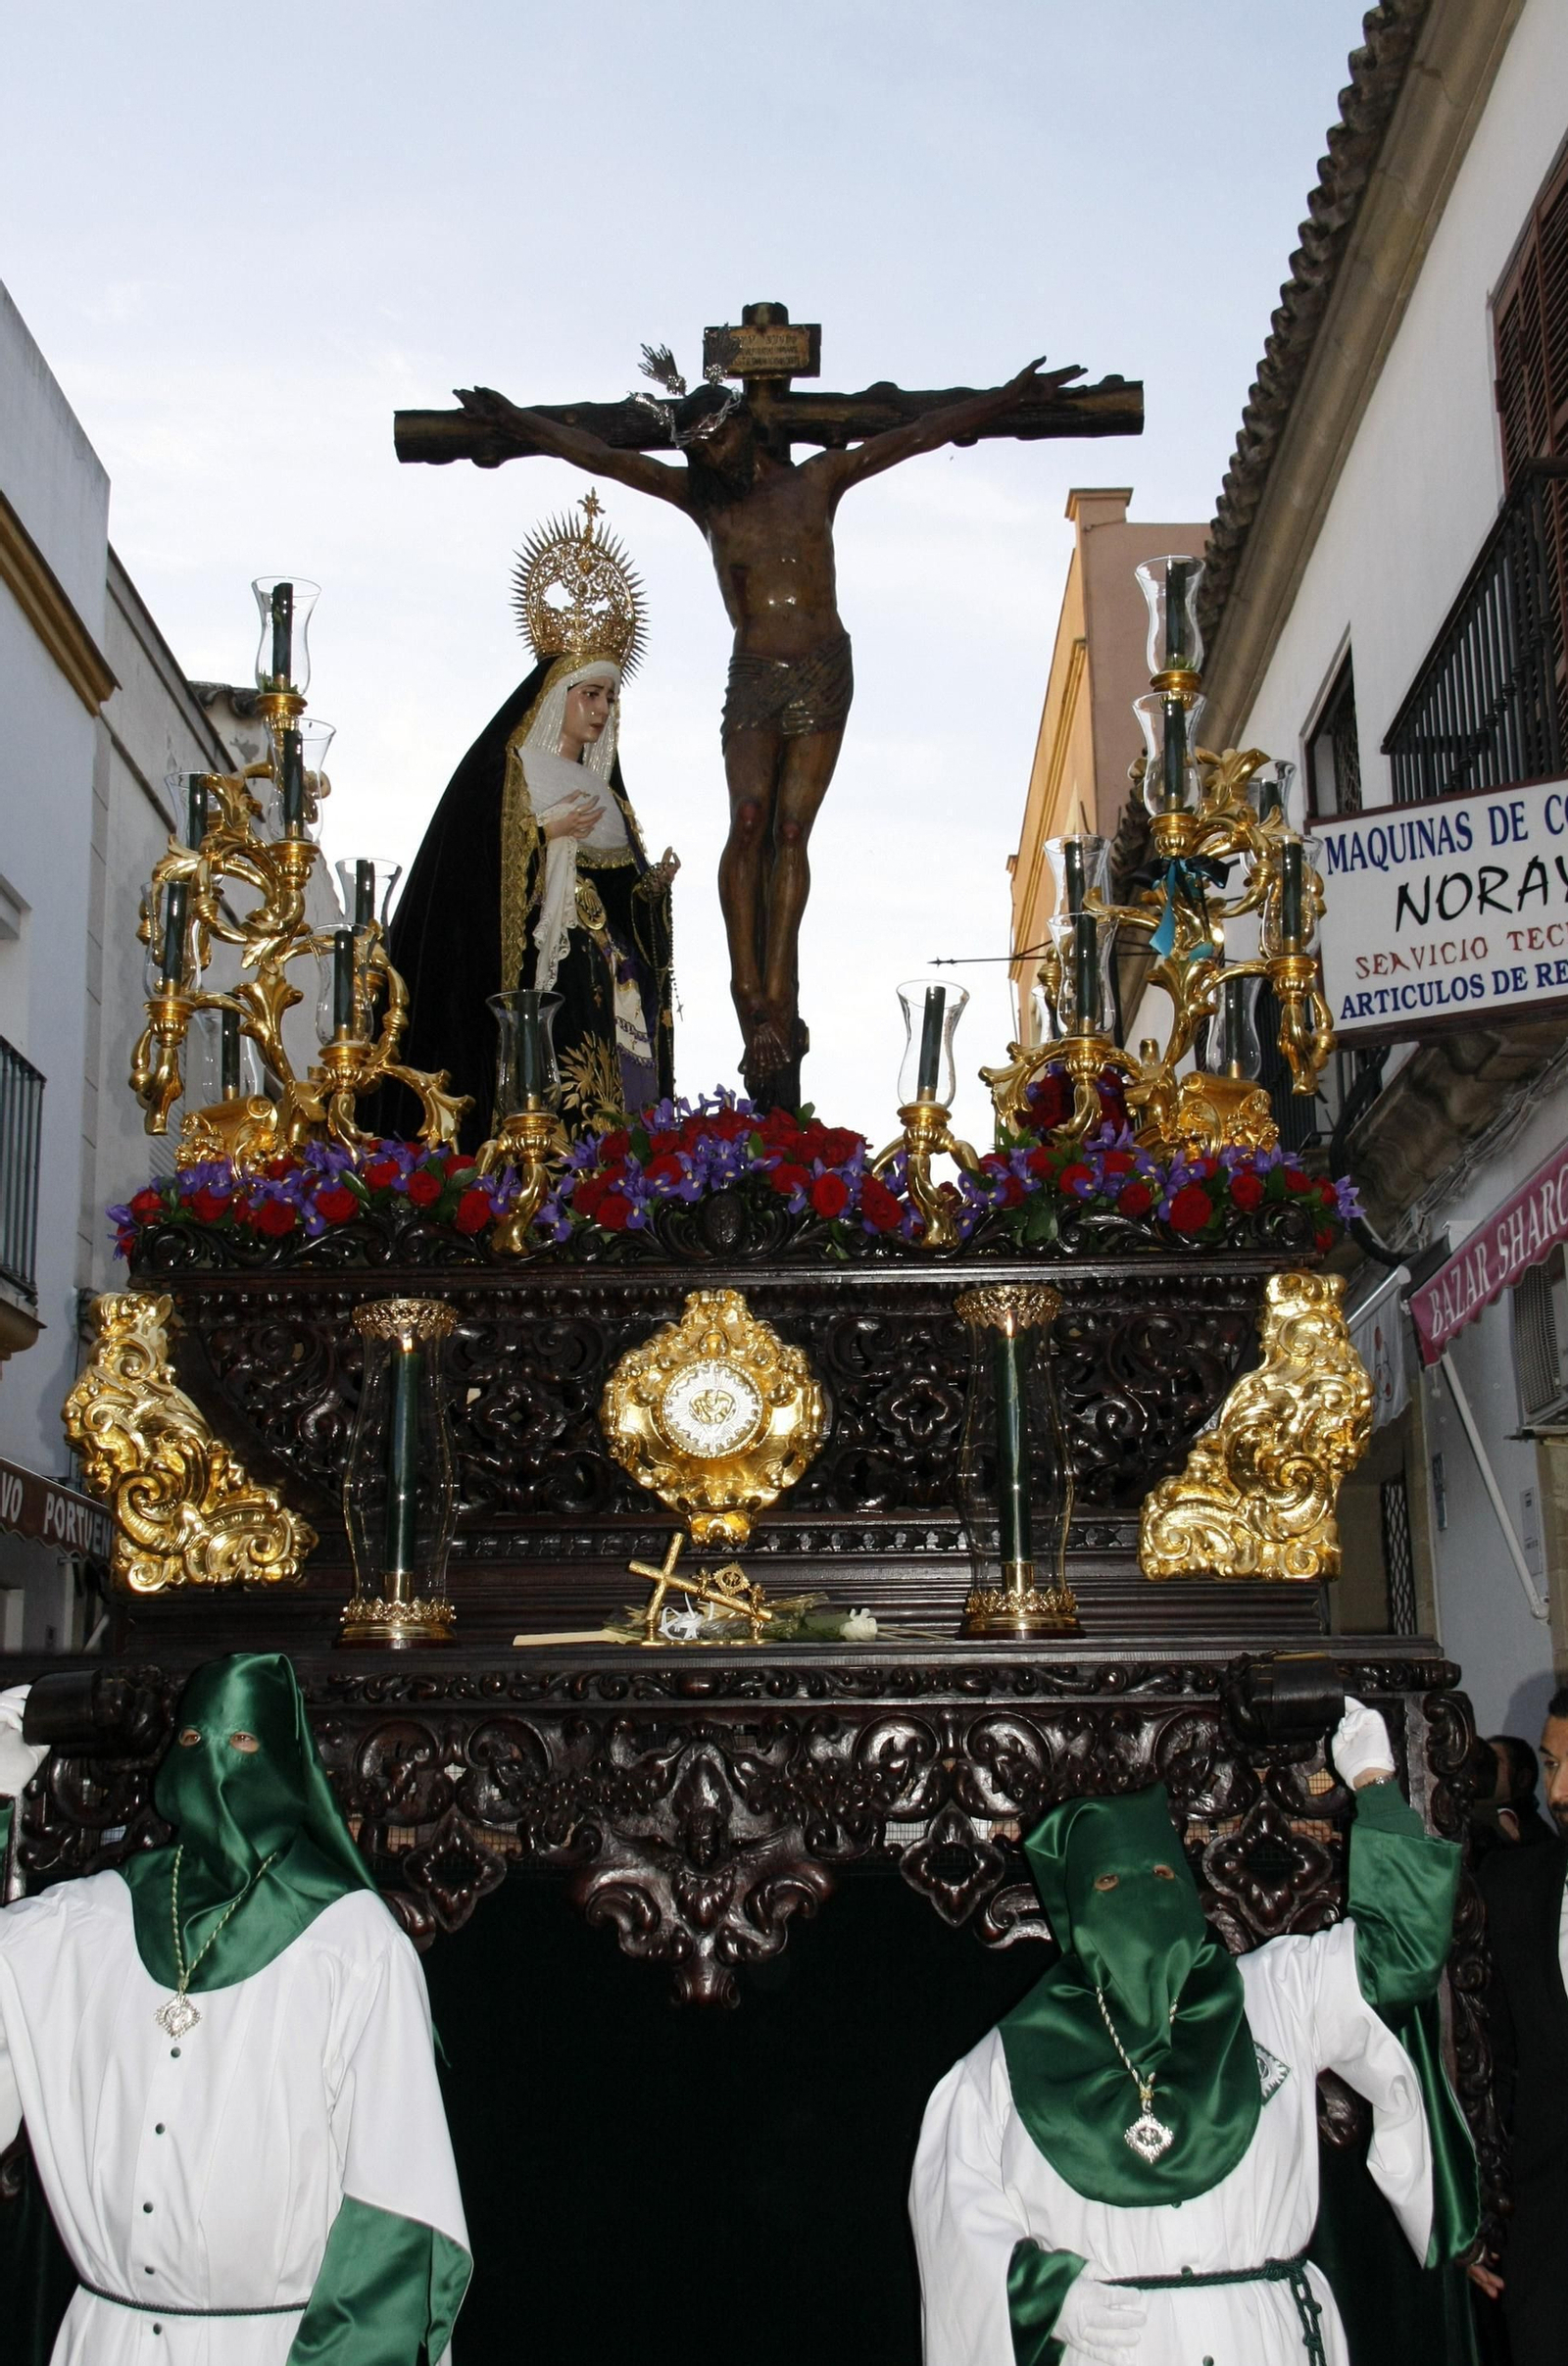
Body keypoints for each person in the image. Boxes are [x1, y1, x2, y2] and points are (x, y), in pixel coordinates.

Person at [453, 351, 1069, 1103]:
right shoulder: (706, 501)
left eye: (716, 437)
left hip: (822, 667)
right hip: (753, 675)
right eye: (695, 447)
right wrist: (517, 422)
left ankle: (779, 996)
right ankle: (753, 996)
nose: (708, 455)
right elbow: (607, 459)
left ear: (743, 424)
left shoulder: (818, 481)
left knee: (788, 836)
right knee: (747, 821)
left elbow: (917, 435)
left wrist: (1009, 396)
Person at [909, 1700, 1476, 2366]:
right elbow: (955, 2226)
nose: (1141, 1902)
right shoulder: (1003, 2068)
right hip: (1118, 2349)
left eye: (1158, 1875)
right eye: (1111, 1883)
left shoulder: (1278, 1995)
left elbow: (1398, 1957)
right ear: (1079, 1912)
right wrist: (1046, 2297)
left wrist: (1376, 1783)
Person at [0, 1653, 469, 2364]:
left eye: (243, 1743)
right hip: (109, 2341)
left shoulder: (351, 1945)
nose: (216, 1767)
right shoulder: (84, 1925)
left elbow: (397, 2202)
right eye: (193, 1741)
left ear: (286, 1765)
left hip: (272, 2346)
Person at [387, 492, 676, 1146]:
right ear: (557, 699)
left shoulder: (613, 799)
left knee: (602, 1118)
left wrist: (651, 892)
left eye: (609, 698)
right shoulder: (506, 777)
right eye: (590, 695)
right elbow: (462, 873)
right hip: (536, 980)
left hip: (602, 982)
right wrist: (541, 836)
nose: (601, 711)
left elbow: (624, 903)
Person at [1472, 1686, 1568, 2364]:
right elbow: (1483, 2056)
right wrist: (1476, 2207)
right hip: (1548, 2243)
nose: (1561, 1792)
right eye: (1555, 1766)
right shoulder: (1512, 1889)